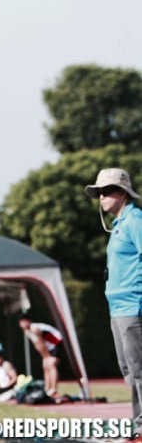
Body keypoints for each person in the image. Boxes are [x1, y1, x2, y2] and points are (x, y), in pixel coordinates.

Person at [85, 167, 142, 432]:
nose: (101, 197)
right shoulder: (119, 224)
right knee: (130, 371)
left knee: (140, 370)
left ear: (121, 193)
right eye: (98, 193)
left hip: (134, 306)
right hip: (117, 308)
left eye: (106, 191)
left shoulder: (135, 220)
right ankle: (138, 425)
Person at [18, 315, 63, 397]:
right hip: (49, 347)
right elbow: (36, 344)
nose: (22, 324)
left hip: (56, 343)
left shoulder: (34, 328)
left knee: (51, 364)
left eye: (24, 321)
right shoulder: (27, 332)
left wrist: (47, 356)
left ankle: (53, 389)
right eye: (21, 322)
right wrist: (44, 357)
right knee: (45, 365)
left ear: (28, 321)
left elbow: (41, 343)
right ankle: (47, 389)